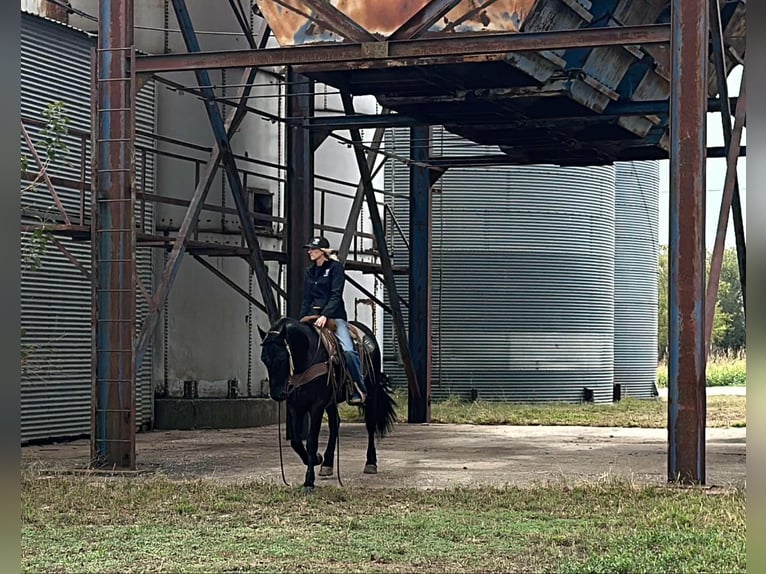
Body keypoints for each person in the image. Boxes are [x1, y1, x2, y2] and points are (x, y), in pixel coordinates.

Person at [299, 236, 367, 405]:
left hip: (334, 318)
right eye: (309, 249)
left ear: (323, 252)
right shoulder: (310, 271)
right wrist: (302, 318)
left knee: (349, 351)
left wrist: (326, 315)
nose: (309, 252)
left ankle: (358, 387)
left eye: (313, 249)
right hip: (312, 317)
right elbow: (307, 298)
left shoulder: (335, 268)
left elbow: (336, 295)